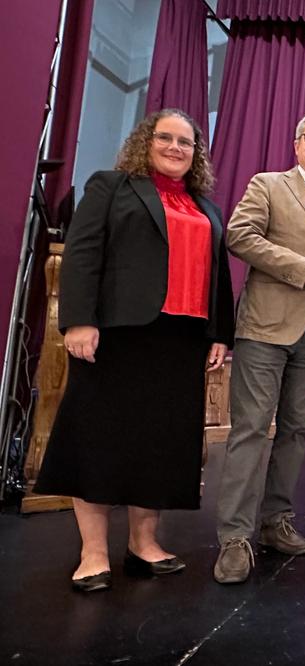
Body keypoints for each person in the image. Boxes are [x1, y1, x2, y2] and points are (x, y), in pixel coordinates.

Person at [34, 108, 235, 592]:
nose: (174, 148)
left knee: (161, 446)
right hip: (118, 335)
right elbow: (83, 254)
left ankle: (144, 544)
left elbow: (219, 277)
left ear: (196, 153)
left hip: (180, 340)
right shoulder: (111, 186)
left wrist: (220, 334)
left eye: (185, 142)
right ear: (146, 141)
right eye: (164, 138)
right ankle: (94, 551)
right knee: (100, 440)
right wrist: (78, 320)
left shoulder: (205, 206)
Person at [213, 111, 305, 584]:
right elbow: (239, 236)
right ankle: (235, 537)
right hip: (264, 328)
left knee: (296, 431)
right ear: (296, 145)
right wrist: (300, 269)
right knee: (251, 430)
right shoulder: (268, 185)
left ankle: (275, 523)